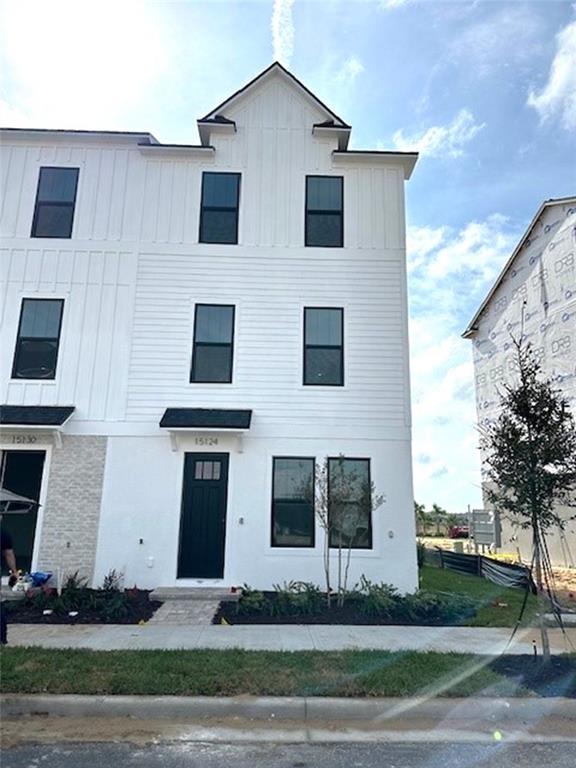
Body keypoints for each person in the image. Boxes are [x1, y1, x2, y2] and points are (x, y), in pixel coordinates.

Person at [1, 523, 17, 645]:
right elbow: (8, 554)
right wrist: (14, 572)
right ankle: (1, 639)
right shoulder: (4, 534)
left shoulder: (4, 534)